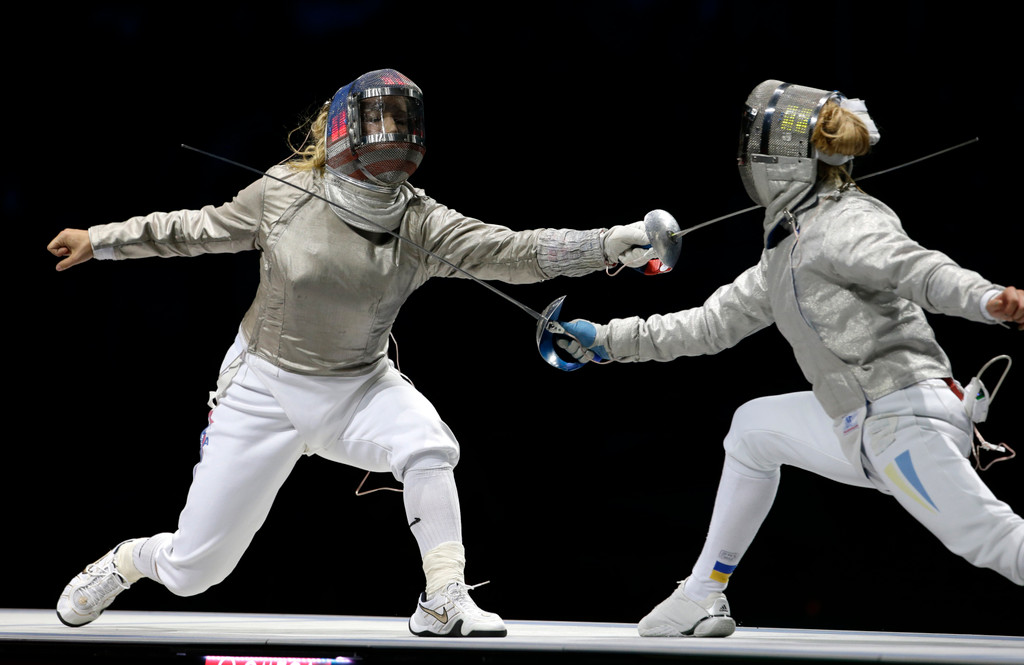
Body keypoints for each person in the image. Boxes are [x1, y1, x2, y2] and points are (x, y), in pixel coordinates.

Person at [48, 68, 655, 637]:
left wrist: (607, 245)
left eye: (403, 122)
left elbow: (513, 250)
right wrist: (100, 241)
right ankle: (132, 559)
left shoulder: (420, 221)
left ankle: (443, 598)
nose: (393, 134)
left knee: (427, 443)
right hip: (262, 387)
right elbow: (193, 229)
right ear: (346, 128)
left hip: (358, 385)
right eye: (380, 121)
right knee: (193, 571)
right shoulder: (286, 192)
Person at [555, 79, 1024, 637]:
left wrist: (987, 299)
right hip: (863, 422)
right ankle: (703, 593)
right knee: (753, 428)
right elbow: (709, 325)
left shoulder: (846, 221)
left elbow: (915, 267)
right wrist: (606, 340)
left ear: (777, 159)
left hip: (903, 421)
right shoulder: (787, 250)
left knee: (994, 541)